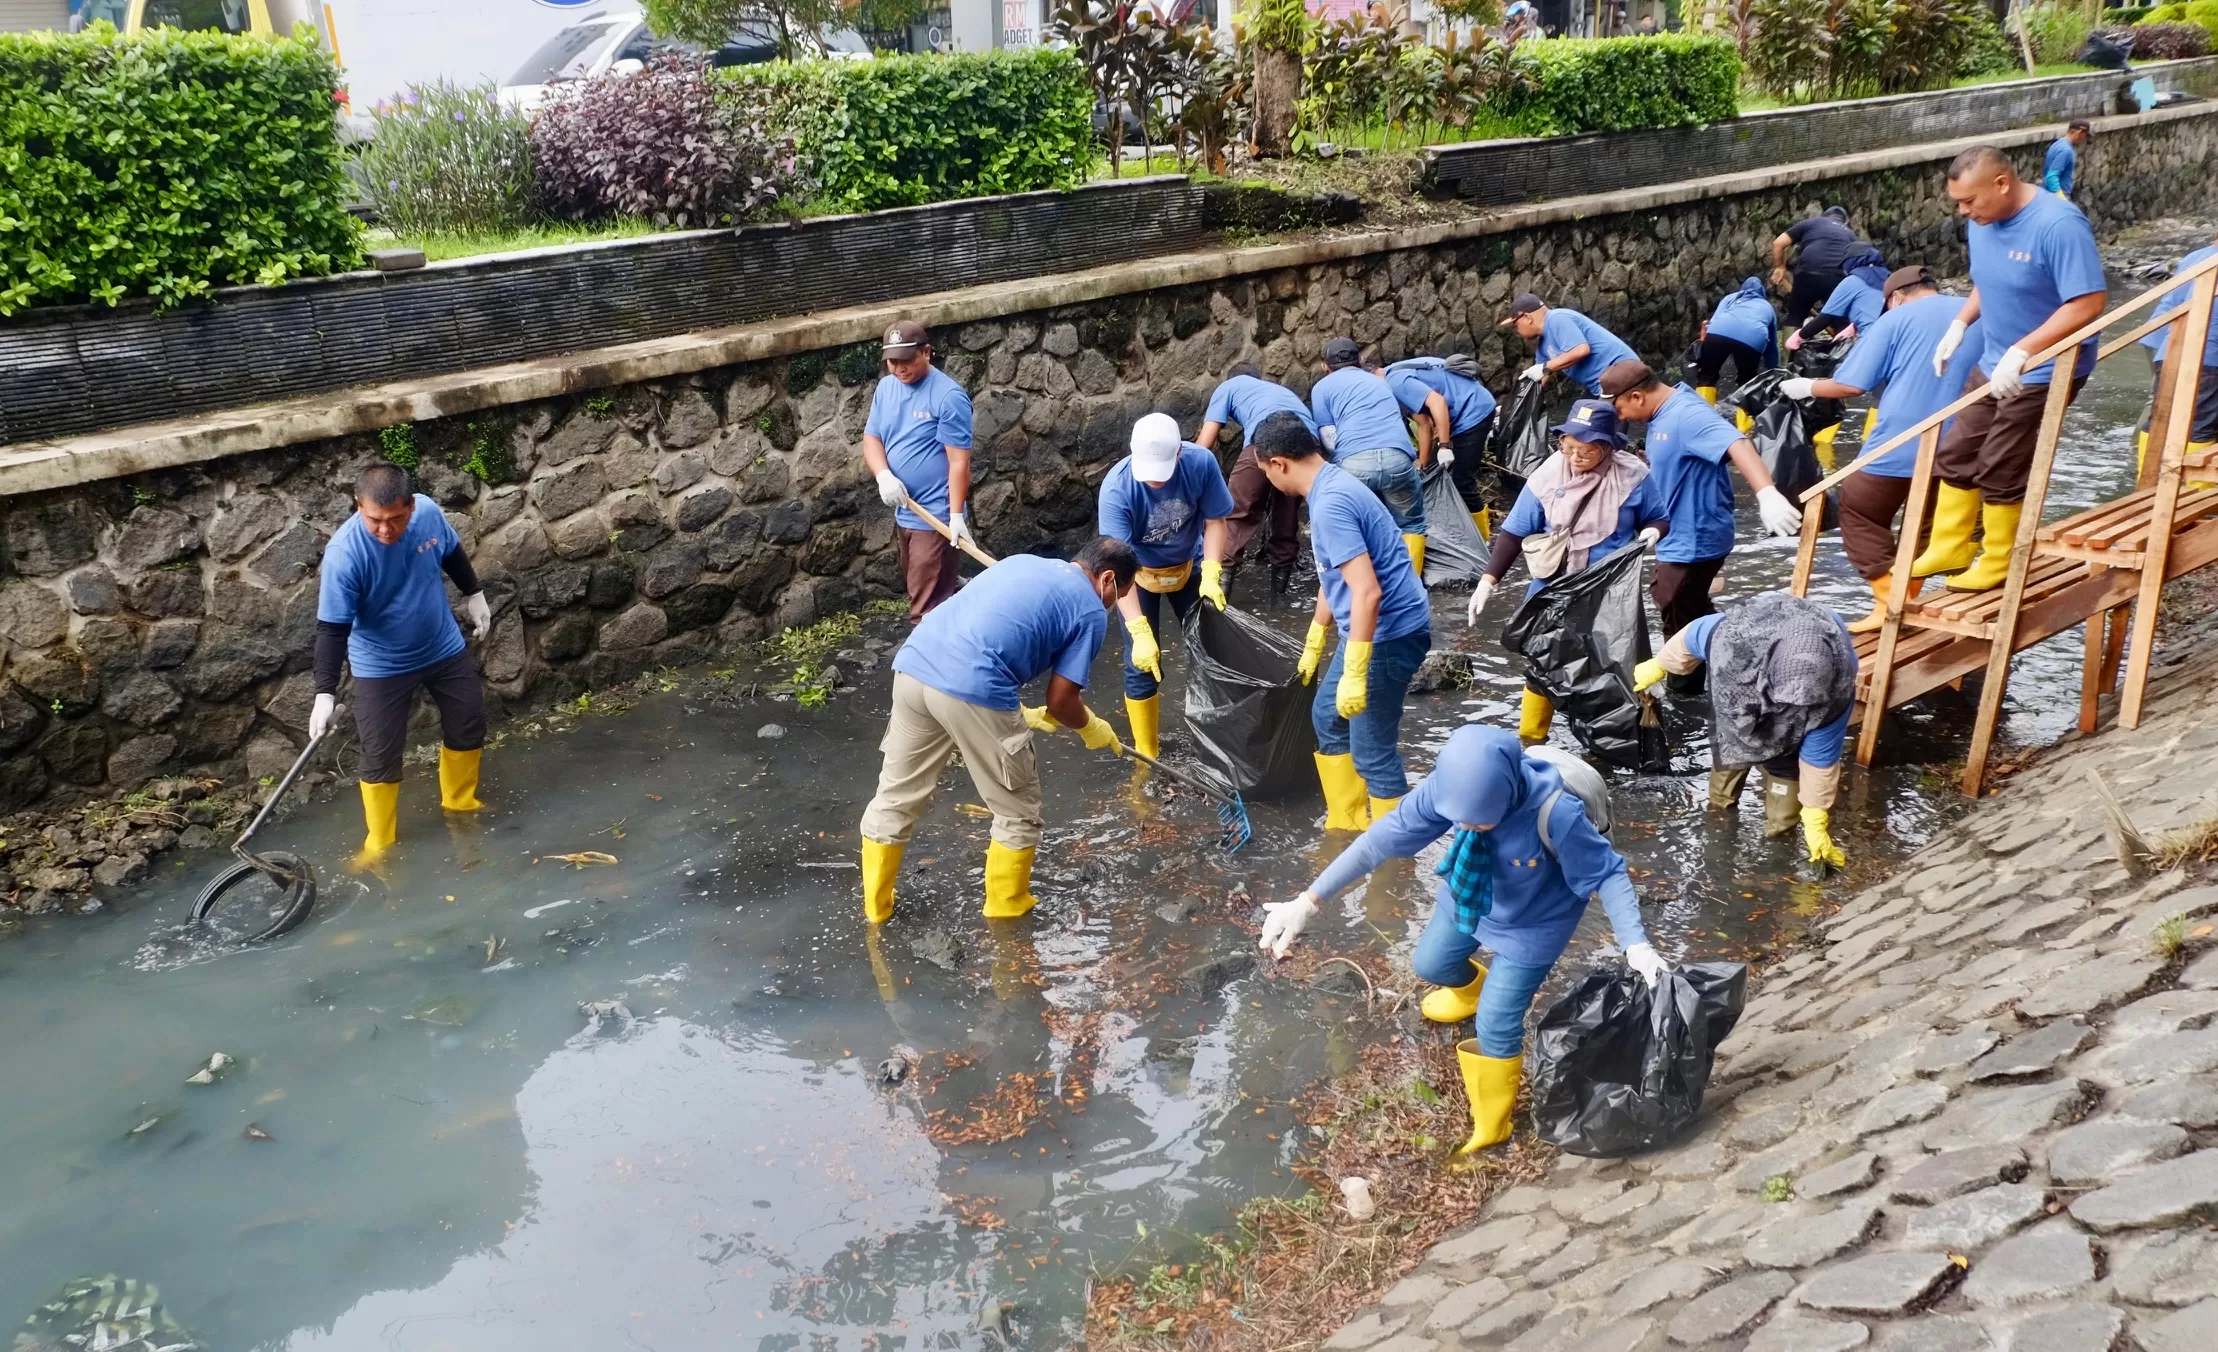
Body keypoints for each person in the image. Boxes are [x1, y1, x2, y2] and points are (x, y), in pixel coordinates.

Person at [1255, 724, 1666, 1154]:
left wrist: (1635, 944)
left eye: (1478, 817)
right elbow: (1379, 841)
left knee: (1496, 1025)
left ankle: (1493, 1124)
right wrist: (1307, 901)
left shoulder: (1556, 814)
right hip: (1469, 893)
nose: (1465, 824)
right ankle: (1473, 991)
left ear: (1507, 794)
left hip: (1536, 921)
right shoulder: (1446, 790)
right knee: (1429, 965)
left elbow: (1608, 872)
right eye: (1459, 817)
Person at [857, 538, 1138, 924]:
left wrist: (1020, 710)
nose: (1113, 604)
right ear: (1108, 579)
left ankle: (876, 910)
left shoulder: (1022, 558)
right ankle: (1007, 912)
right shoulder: (1090, 610)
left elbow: (983, 628)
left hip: (914, 665)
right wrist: (1092, 727)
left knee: (895, 795)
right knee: (1018, 811)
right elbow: (1061, 701)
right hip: (972, 688)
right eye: (1119, 595)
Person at [1914, 145, 2107, 593]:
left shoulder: (2058, 225)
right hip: (1995, 357)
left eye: (1970, 201)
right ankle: (1951, 544)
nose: (1965, 213)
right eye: (1958, 203)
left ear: (2002, 183)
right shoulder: (1984, 221)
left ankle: (2000, 557)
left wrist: (2024, 351)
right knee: (1957, 450)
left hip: (2045, 366)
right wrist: (1961, 324)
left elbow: (2089, 303)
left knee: (2002, 462)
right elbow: (1989, 278)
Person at [1252, 412, 1433, 831]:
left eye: (1266, 472)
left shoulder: (1331, 503)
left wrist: (1354, 671)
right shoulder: (1330, 486)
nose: (1270, 482)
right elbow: (1335, 577)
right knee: (1329, 719)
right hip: (1375, 631)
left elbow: (1367, 592)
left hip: (1390, 634)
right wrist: (1316, 638)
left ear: (1279, 463)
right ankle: (1347, 824)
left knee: (1374, 753)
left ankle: (1394, 856)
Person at [1781, 265, 1983, 631]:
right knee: (1927, 525)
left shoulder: (1896, 318)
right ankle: (1912, 596)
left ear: (1895, 297)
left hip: (1903, 439)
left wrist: (1807, 387)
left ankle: (1890, 600)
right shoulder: (1979, 309)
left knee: (1859, 510)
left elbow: (1851, 385)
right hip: (1969, 441)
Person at [312, 464, 493, 864]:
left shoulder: (428, 513)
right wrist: (324, 692)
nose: (385, 530)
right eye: (374, 519)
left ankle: (461, 803)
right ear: (359, 506)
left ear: (410, 505)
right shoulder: (345, 554)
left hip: (441, 645)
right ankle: (379, 842)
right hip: (381, 664)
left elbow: (451, 552)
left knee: (468, 722)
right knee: (380, 754)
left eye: (395, 518)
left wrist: (474, 592)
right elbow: (331, 630)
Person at [1468, 400, 1670, 745]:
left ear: (1607, 447)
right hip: (1555, 587)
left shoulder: (1633, 475)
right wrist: (1488, 581)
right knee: (1544, 661)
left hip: (1610, 590)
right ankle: (1532, 739)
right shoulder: (1548, 475)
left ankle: (1611, 741)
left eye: (1585, 451)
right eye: (1568, 446)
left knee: (1612, 664)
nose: (1574, 457)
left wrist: (1653, 532)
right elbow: (1515, 532)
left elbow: (1658, 517)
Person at [1635, 593, 1858, 870]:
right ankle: (1719, 817)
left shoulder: (1834, 695)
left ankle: (1778, 849)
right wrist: (1660, 664)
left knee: (1786, 788)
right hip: (1744, 687)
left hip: (1802, 711)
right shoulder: (1733, 638)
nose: (1786, 707)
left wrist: (1816, 818)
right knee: (1730, 750)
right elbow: (1691, 636)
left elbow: (1819, 760)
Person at [1602, 360, 1805, 648]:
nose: (1619, 416)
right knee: (1685, 606)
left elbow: (1738, 443)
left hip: (1694, 539)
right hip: (1676, 533)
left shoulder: (1686, 414)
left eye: (1618, 408)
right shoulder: (1664, 410)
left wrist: (1766, 493)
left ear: (1637, 396)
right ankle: (1733, 649)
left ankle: (1686, 689)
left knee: (1676, 616)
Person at [1098, 412, 1235, 760]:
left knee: (1210, 651)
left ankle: (1214, 740)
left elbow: (1216, 521)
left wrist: (1212, 571)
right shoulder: (1118, 489)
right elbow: (1115, 566)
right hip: (1136, 575)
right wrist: (1139, 629)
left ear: (1179, 454)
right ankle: (1148, 754)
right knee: (1142, 663)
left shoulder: (1200, 464)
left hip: (1189, 566)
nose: (1156, 483)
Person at [862, 319, 974, 621]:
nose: (899, 368)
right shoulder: (886, 388)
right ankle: (967, 603)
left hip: (935, 517)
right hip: (905, 510)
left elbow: (959, 462)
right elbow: (872, 437)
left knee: (925, 609)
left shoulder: (948, 397)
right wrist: (883, 475)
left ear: (926, 352)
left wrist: (955, 516)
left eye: (906, 360)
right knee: (925, 587)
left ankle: (922, 666)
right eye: (892, 361)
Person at [1310, 337, 1430, 575]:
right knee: (1411, 525)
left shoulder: (1321, 388)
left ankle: (1366, 588)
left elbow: (1327, 436)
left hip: (1354, 464)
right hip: (1398, 459)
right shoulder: (1380, 381)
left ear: (1326, 367)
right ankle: (1410, 588)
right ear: (1361, 360)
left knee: (1358, 526)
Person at [1197, 361, 1314, 594]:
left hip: (1266, 439)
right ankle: (1278, 599)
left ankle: (1218, 601)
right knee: (1287, 516)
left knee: (1236, 513)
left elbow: (1203, 446)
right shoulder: (1277, 390)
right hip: (1306, 443)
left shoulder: (1229, 386)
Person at [2135, 232, 2218, 475]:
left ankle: (2146, 482)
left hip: (2168, 346)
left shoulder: (2196, 257)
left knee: (2162, 416)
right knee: (2200, 424)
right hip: (2206, 354)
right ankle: (2194, 494)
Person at [1382, 353, 1499, 525]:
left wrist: (1444, 447)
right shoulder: (1392, 370)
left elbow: (1437, 404)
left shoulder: (1394, 383)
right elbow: (1425, 423)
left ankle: (1483, 540)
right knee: (1442, 475)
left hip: (1474, 412)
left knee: (1463, 483)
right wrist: (1422, 465)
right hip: (1469, 404)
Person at [1504, 293, 1640, 397]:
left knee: (1598, 430)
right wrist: (1511, 405)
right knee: (1579, 425)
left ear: (1527, 318)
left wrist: (1546, 367)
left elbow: (1581, 350)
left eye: (1516, 325)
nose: (1516, 331)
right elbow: (1539, 379)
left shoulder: (1557, 319)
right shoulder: (1543, 343)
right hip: (1599, 385)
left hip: (1620, 375)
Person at [1690, 276, 1780, 403]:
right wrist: (1773, 368)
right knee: (1748, 379)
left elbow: (1714, 321)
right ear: (1762, 293)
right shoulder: (1766, 306)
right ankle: (1745, 419)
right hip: (1752, 338)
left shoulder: (1730, 298)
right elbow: (1771, 345)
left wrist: (1705, 343)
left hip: (1719, 332)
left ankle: (1703, 415)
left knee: (1707, 375)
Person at [1770, 206, 1865, 325]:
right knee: (1840, 320)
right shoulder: (1850, 234)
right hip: (1838, 277)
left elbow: (1778, 243)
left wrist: (1780, 267)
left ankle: (1789, 342)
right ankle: (1842, 341)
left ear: (1824, 216)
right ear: (1843, 221)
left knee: (1795, 316)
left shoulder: (1811, 222)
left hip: (1807, 273)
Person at [1793, 245, 1888, 348]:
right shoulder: (1890, 278)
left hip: (1872, 342)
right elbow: (1873, 310)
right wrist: (1854, 327)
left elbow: (1826, 318)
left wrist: (1800, 336)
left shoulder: (1853, 281)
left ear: (1851, 262)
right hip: (1897, 339)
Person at [2045, 121, 2091, 198]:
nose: (2085, 139)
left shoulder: (2057, 144)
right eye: (2085, 136)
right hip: (2057, 197)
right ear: (2079, 133)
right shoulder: (2066, 151)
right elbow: (2051, 177)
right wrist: (2061, 198)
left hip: (2048, 194)